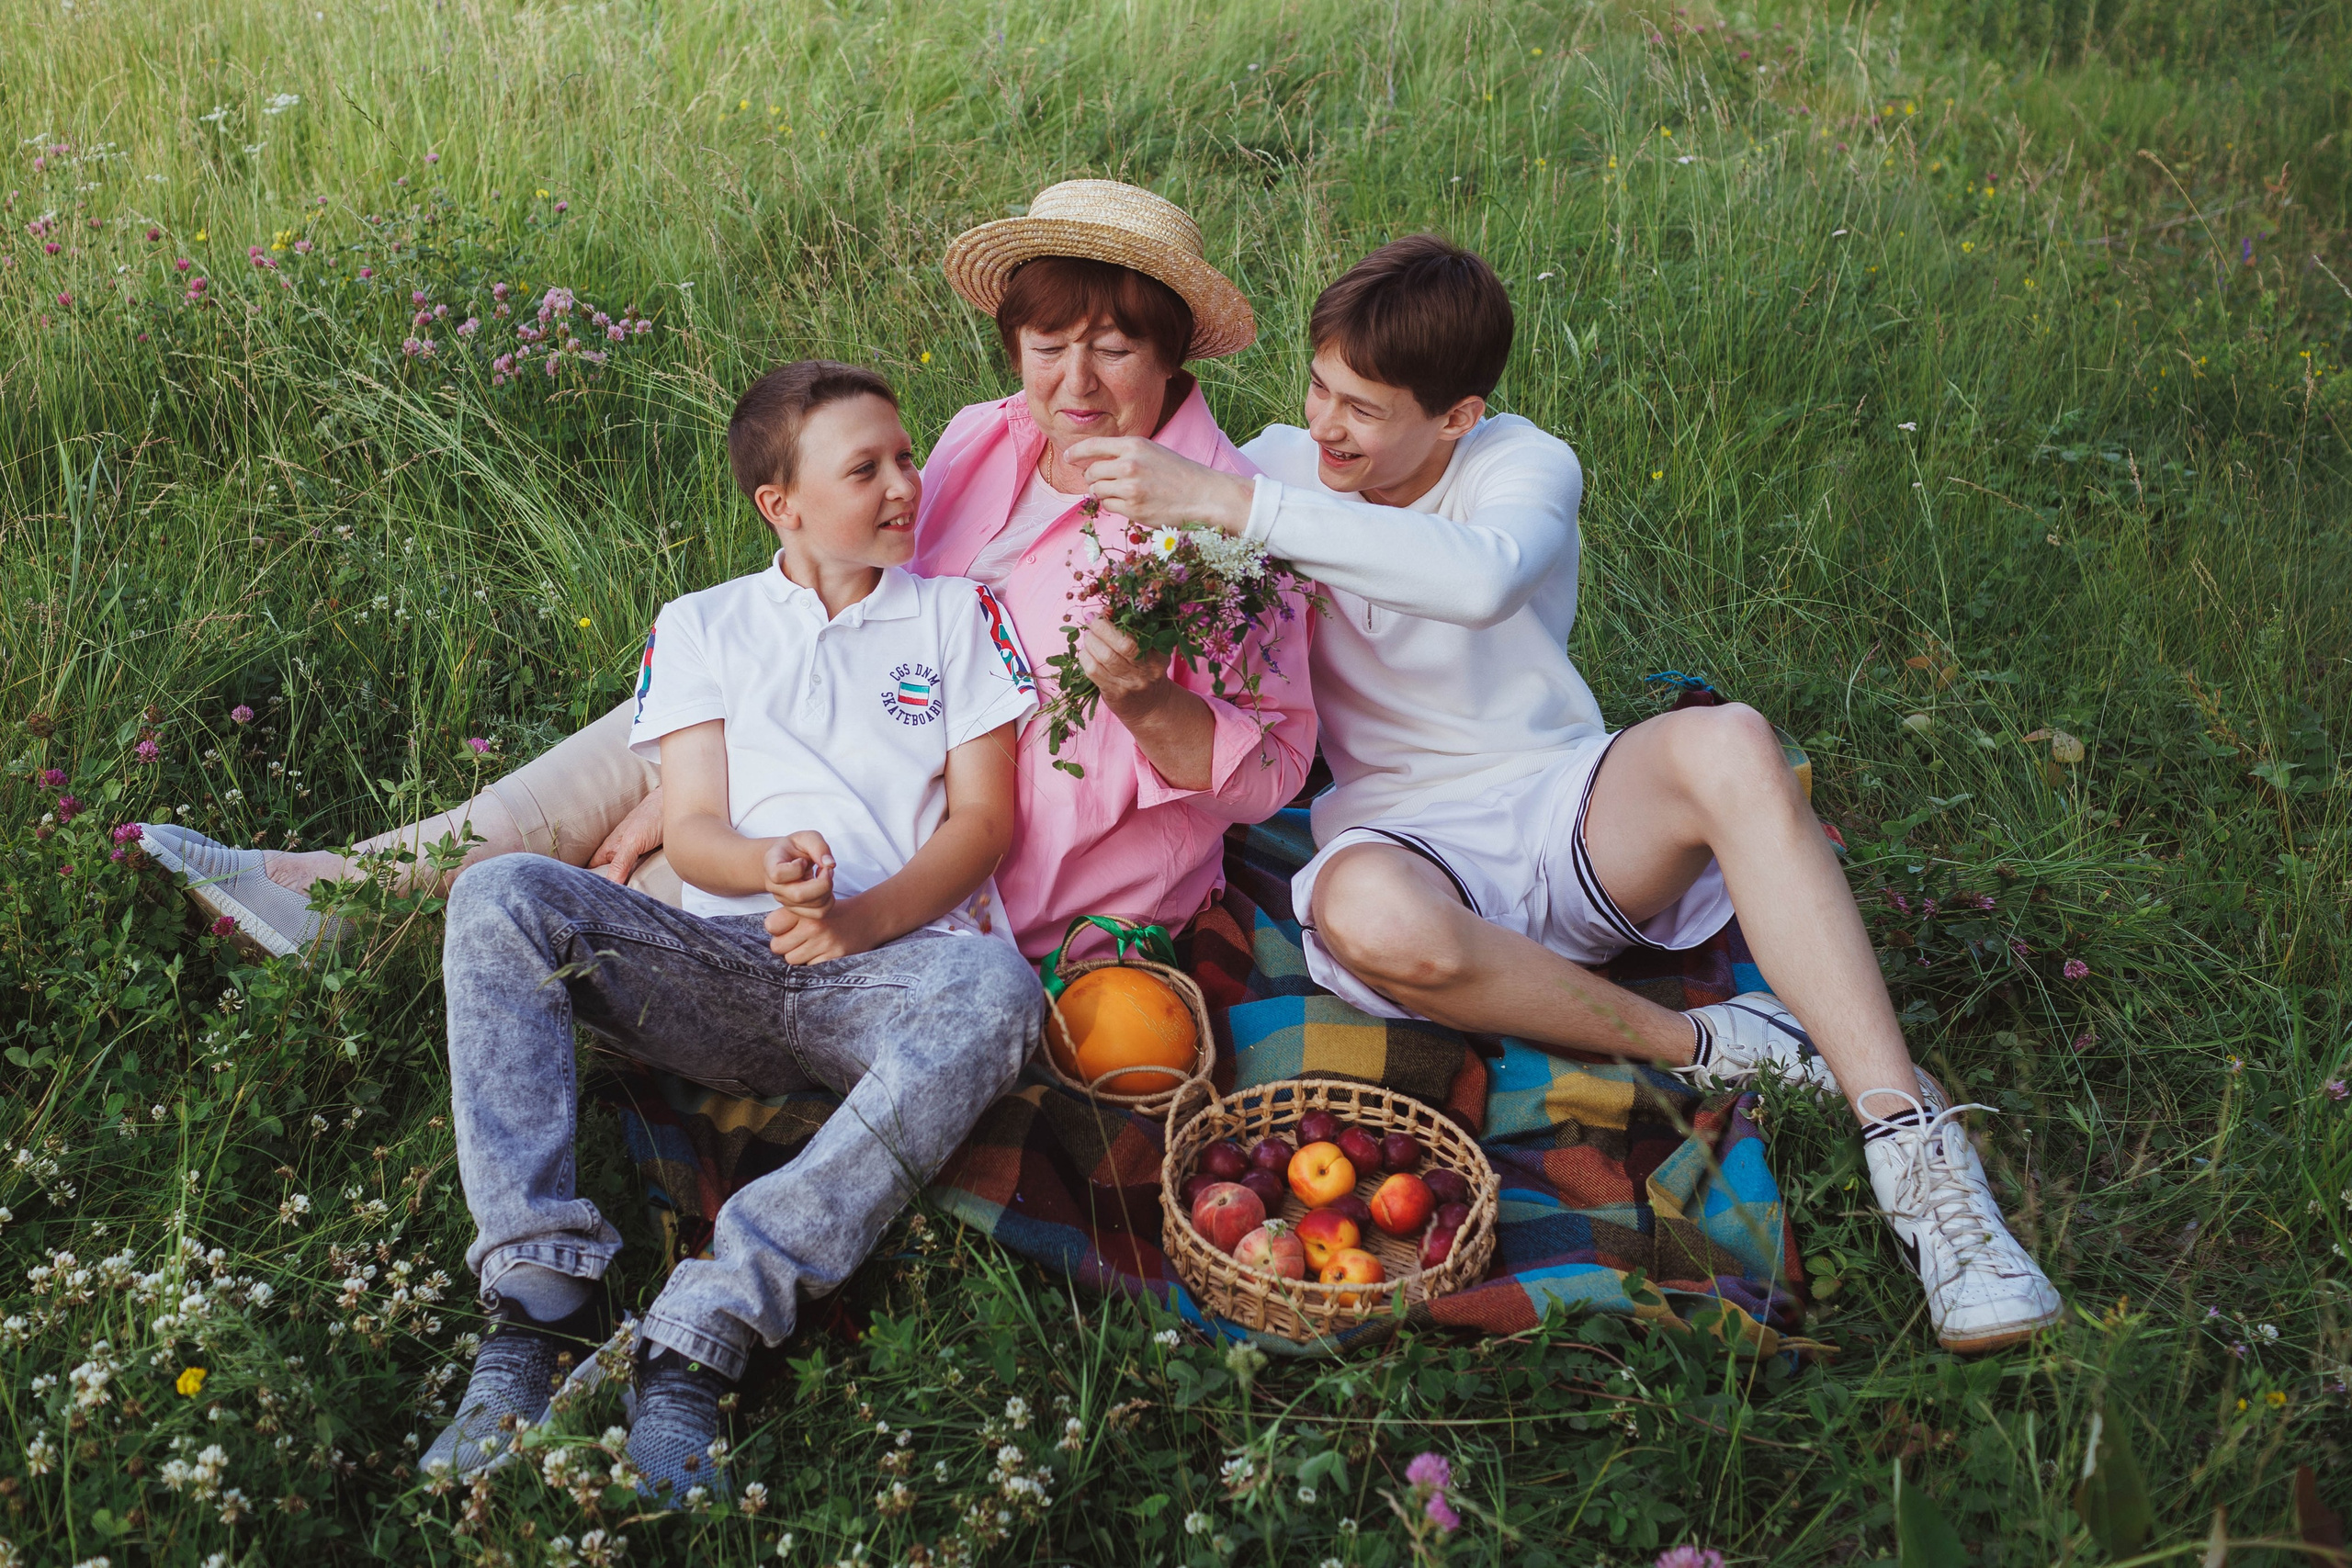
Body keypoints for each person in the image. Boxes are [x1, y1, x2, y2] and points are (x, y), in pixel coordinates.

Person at [1067, 235, 2064, 1355]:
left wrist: (1233, 505)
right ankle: (1707, 1042)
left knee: (1730, 740)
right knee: (1360, 912)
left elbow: (1480, 579)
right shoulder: (1277, 470)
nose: (1327, 426)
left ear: (1455, 417)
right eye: (1319, 388)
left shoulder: (1518, 463)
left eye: (1365, 408)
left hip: (1564, 799)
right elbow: (1111, 526)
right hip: (1404, 829)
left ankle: (1918, 1159)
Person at [137, 179, 1314, 964]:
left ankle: (372, 935)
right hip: (847, 728)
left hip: (989, 840)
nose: (1075, 385)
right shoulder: (980, 436)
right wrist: (703, 780)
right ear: (1012, 347)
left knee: (654, 916)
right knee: (645, 736)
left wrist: (1152, 704)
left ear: (1169, 354)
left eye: (1115, 350)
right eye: (1048, 346)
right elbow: (829, 579)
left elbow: (1268, 773)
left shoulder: (1216, 532)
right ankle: (339, 882)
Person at [419, 362, 1045, 1496]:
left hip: (893, 977)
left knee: (1001, 990)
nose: (907, 484)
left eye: (906, 456)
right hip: (720, 964)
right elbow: (695, 825)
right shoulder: (703, 625)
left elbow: (984, 821)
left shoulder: (960, 617)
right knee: (500, 892)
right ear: (782, 503)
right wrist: (766, 867)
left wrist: (859, 920)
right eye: (868, 468)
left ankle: (705, 1325)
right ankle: (539, 1294)